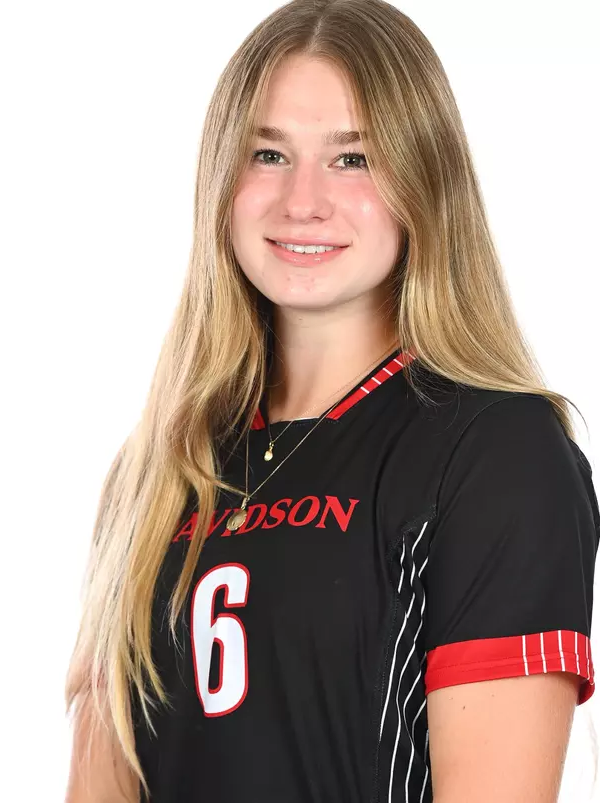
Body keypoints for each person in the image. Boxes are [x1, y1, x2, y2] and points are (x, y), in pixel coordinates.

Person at [64, 1, 600, 801]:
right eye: (268, 154)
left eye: (353, 160)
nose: (301, 201)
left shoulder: (498, 452)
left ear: (426, 178)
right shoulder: (157, 468)